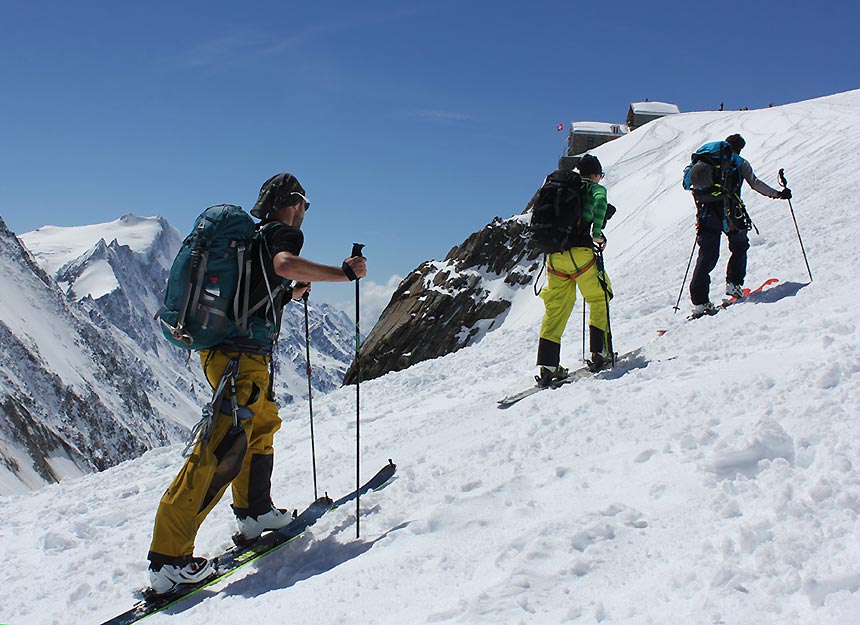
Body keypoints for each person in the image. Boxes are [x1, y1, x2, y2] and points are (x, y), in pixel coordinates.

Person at [146, 172, 367, 595]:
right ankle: (169, 559)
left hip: (225, 353)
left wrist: (288, 294)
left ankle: (255, 512)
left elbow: (255, 293)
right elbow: (284, 264)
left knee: (261, 424)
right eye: (305, 206)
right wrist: (343, 273)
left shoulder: (251, 238)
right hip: (242, 360)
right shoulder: (281, 232)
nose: (304, 215)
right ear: (295, 202)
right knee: (222, 446)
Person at [688, 134, 791, 316]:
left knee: (706, 255)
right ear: (739, 148)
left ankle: (700, 302)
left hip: (705, 212)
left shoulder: (704, 158)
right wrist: (778, 194)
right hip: (730, 212)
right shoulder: (738, 161)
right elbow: (755, 183)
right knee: (739, 245)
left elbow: (687, 183)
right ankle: (734, 285)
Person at [535, 154, 613, 387]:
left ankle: (548, 366)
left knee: (556, 308)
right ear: (596, 174)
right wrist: (597, 232)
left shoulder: (562, 188)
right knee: (599, 297)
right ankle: (600, 352)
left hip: (554, 257)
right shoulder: (592, 189)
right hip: (581, 255)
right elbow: (600, 203)